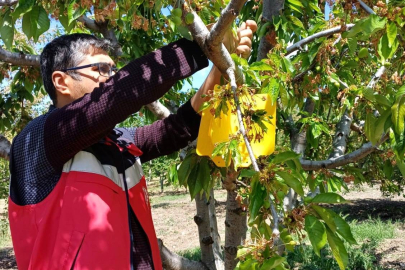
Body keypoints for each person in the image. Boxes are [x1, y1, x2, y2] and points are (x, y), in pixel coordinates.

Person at [8, 20, 257, 270]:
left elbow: (178, 128)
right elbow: (120, 94)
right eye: (102, 69)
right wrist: (202, 46)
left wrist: (220, 66)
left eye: (114, 70)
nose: (113, 77)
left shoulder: (119, 143)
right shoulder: (37, 142)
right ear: (62, 82)